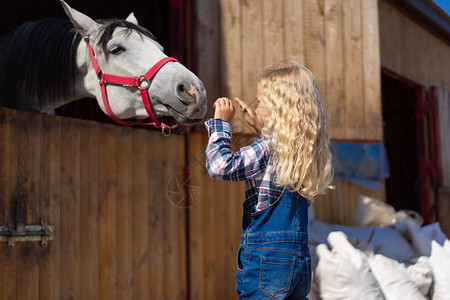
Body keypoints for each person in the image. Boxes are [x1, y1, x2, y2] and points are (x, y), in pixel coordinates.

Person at [204, 60, 334, 299]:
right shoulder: (301, 151)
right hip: (298, 259)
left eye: (261, 102)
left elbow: (220, 166)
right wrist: (261, 128)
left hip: (267, 259)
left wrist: (221, 124)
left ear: (277, 109)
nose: (257, 107)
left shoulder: (266, 148)